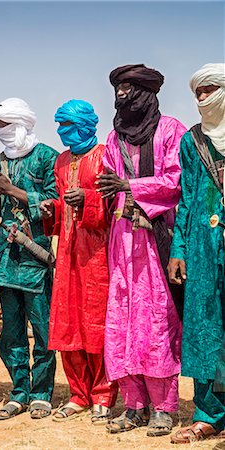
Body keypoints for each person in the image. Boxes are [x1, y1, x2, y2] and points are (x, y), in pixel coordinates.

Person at [97, 64, 187, 436]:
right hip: (122, 239)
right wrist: (114, 190)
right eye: (118, 89)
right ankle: (134, 404)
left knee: (156, 320)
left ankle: (164, 408)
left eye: (129, 89)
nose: (122, 96)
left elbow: (175, 179)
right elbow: (106, 182)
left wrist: (131, 186)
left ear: (146, 95)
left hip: (155, 237)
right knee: (122, 320)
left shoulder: (171, 130)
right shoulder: (113, 137)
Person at [0, 98, 58, 420]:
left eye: (6, 125)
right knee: (11, 332)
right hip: (6, 258)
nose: (1, 132)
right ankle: (19, 392)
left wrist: (12, 189)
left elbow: (54, 205)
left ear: (23, 123)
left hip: (36, 255)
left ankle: (41, 394)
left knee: (41, 330)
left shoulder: (47, 157)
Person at [40, 99, 118, 425]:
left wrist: (87, 199)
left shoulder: (104, 156)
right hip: (68, 250)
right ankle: (78, 394)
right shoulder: (60, 161)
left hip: (98, 251)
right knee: (68, 321)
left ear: (85, 125)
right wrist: (53, 210)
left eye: (67, 125)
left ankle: (103, 394)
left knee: (96, 324)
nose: (61, 132)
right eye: (59, 125)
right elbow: (62, 205)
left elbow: (115, 203)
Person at [168, 63, 225, 444]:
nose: (202, 98)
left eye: (209, 90)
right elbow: (186, 198)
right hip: (203, 248)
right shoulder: (192, 141)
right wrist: (178, 249)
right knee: (205, 329)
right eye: (197, 92)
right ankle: (209, 413)